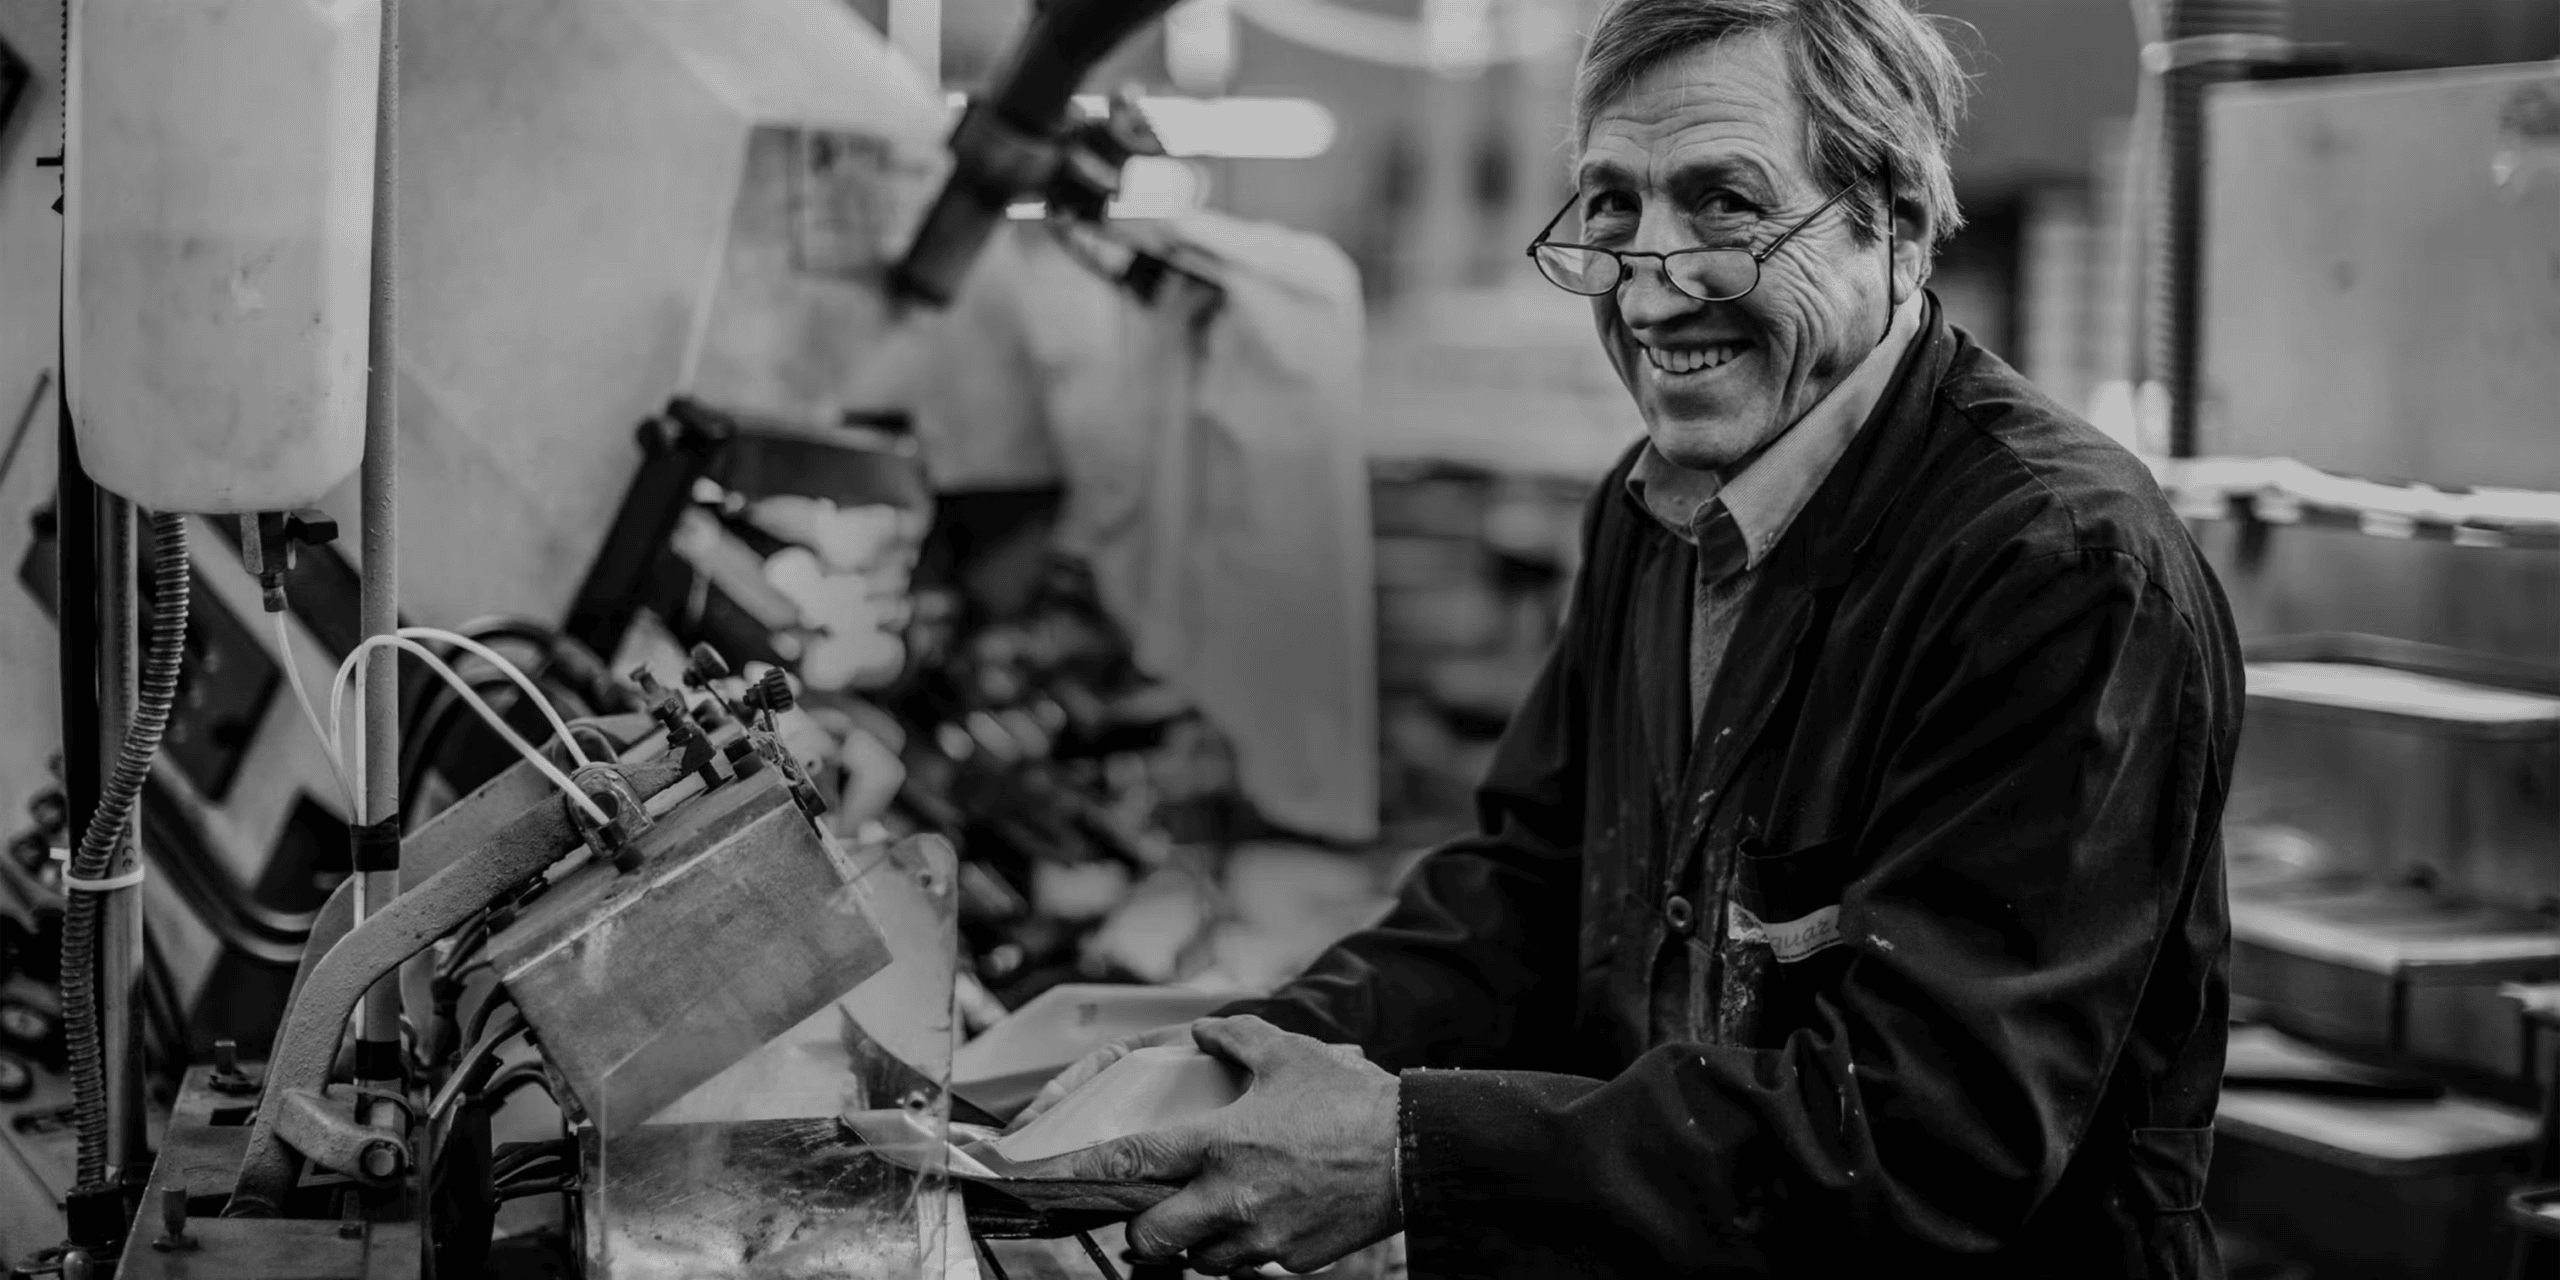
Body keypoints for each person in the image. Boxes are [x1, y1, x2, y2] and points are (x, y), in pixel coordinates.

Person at [1014, 1, 2244, 1275]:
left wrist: (1411, 1151)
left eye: (1724, 204)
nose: (1649, 285)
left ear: (1896, 223)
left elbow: (1930, 1138)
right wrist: (1242, 1062)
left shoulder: (2054, 569)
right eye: (1611, 207)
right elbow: (1525, 895)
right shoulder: (1658, 507)